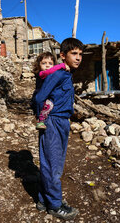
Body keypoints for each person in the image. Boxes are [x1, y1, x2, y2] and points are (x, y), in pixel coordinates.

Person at [32, 37, 84, 220]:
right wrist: (43, 119)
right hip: (53, 122)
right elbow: (38, 99)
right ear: (63, 55)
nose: (78, 57)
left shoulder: (66, 74)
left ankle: (43, 200)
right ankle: (54, 205)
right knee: (53, 165)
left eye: (80, 54)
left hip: (62, 122)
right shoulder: (58, 74)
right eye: (74, 54)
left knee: (52, 163)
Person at [33, 52, 70, 130]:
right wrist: (61, 66)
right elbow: (49, 71)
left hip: (47, 95)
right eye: (44, 63)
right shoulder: (42, 73)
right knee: (48, 105)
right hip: (41, 95)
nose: (47, 65)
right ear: (39, 65)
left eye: (50, 63)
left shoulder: (53, 74)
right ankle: (41, 121)